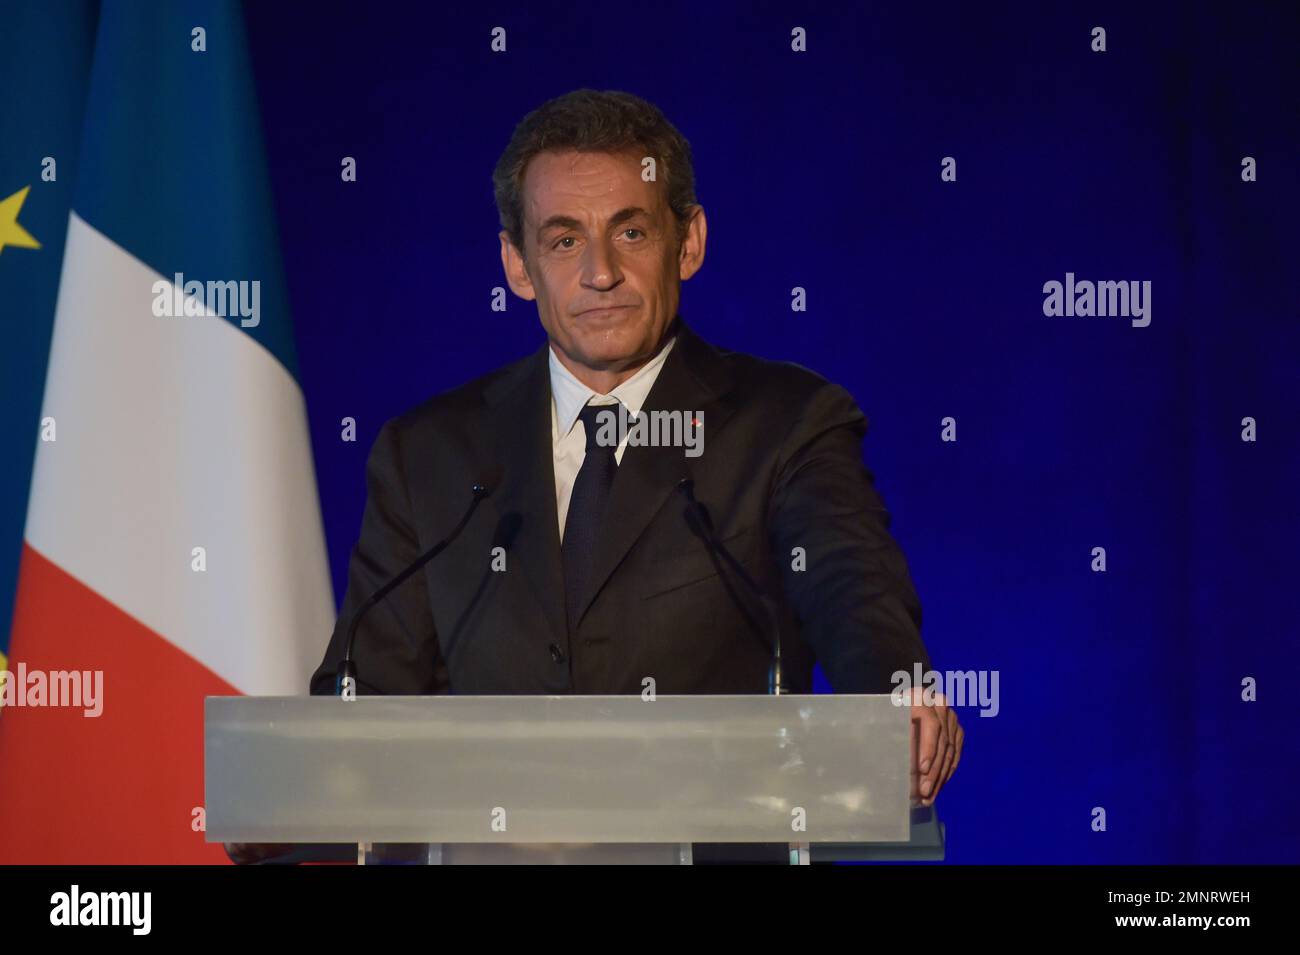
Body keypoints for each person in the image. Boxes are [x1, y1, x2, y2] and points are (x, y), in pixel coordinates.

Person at [229, 88, 962, 864]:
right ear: (517, 264)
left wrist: (895, 690)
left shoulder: (784, 425)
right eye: (564, 240)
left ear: (690, 242)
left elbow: (854, 593)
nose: (601, 273)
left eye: (631, 231)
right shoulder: (429, 454)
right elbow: (364, 697)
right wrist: (289, 786)